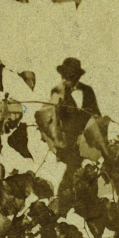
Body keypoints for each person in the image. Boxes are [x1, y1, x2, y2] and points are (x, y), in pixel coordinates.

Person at [40, 58, 100, 197]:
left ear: (77, 76)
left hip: (87, 139)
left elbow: (95, 113)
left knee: (88, 172)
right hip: (69, 141)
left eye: (70, 74)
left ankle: (72, 197)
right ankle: (63, 198)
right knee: (73, 169)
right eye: (64, 74)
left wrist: (95, 124)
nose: (66, 78)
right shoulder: (57, 92)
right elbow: (53, 118)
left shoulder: (87, 91)